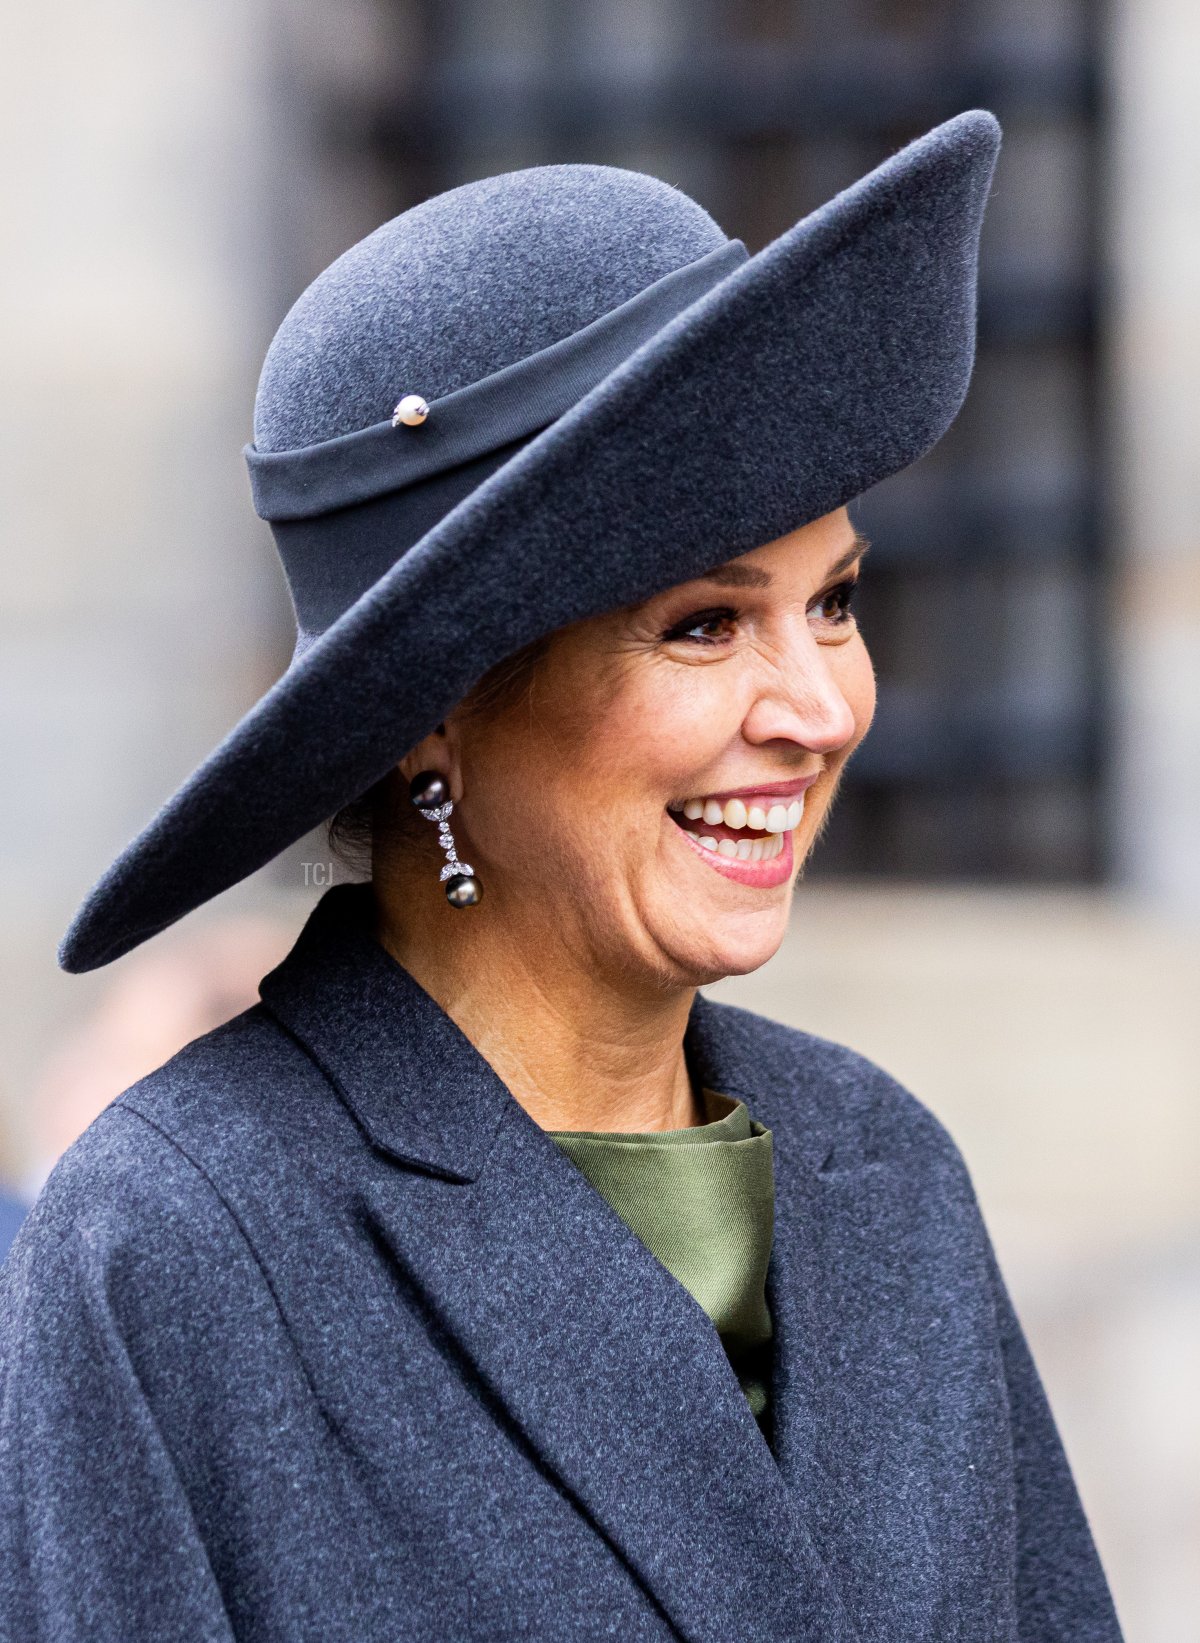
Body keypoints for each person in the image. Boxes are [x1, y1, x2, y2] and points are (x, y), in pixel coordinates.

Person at [0, 112, 1125, 1641]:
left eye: (837, 601)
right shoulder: (175, 1245)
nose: (822, 710)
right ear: (437, 712)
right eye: (706, 626)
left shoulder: (883, 1172)